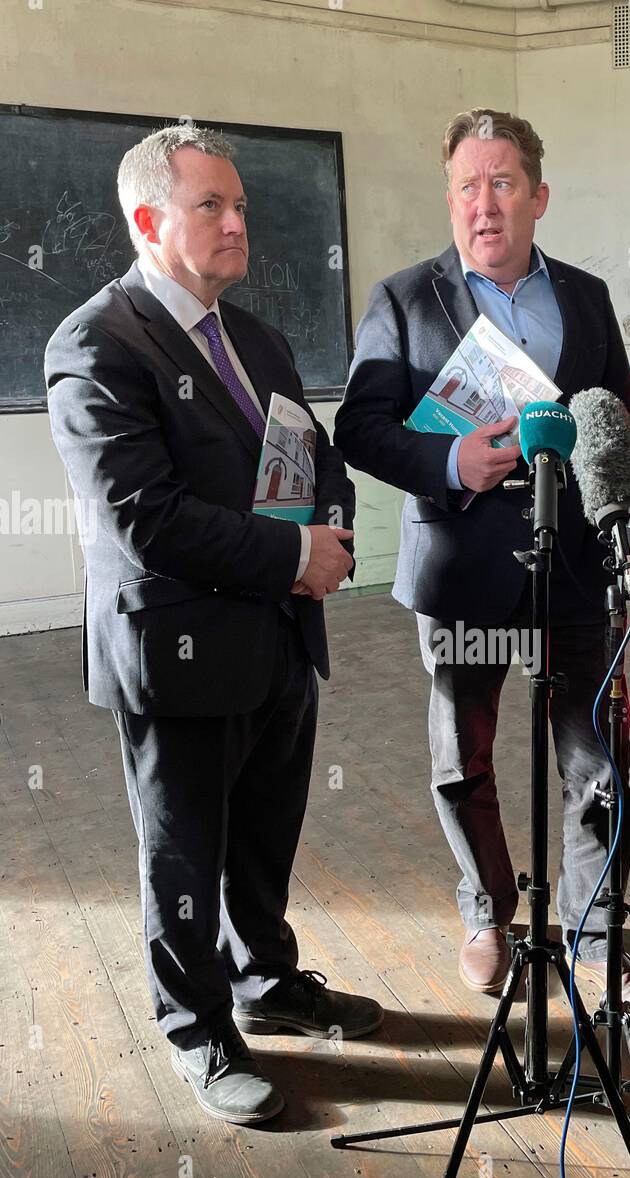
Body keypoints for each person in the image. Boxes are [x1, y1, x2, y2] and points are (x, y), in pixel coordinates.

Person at [45, 124, 382, 1127]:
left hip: (280, 636)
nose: (239, 222)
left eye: (241, 205)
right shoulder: (96, 342)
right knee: (185, 853)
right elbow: (140, 517)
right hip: (178, 652)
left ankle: (265, 980)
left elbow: (315, 458)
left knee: (267, 832)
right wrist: (291, 556)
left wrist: (332, 527)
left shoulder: (260, 337)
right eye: (212, 207)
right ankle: (198, 1029)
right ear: (149, 220)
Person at [335, 109, 630, 1023]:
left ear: (537, 195)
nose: (483, 205)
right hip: (459, 567)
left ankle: (596, 940)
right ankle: (487, 913)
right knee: (462, 760)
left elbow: (613, 427)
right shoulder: (403, 300)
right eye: (465, 187)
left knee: (597, 762)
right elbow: (359, 428)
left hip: (572, 569)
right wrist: (451, 462)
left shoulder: (589, 297)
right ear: (450, 200)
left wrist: (619, 523)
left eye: (502, 183)